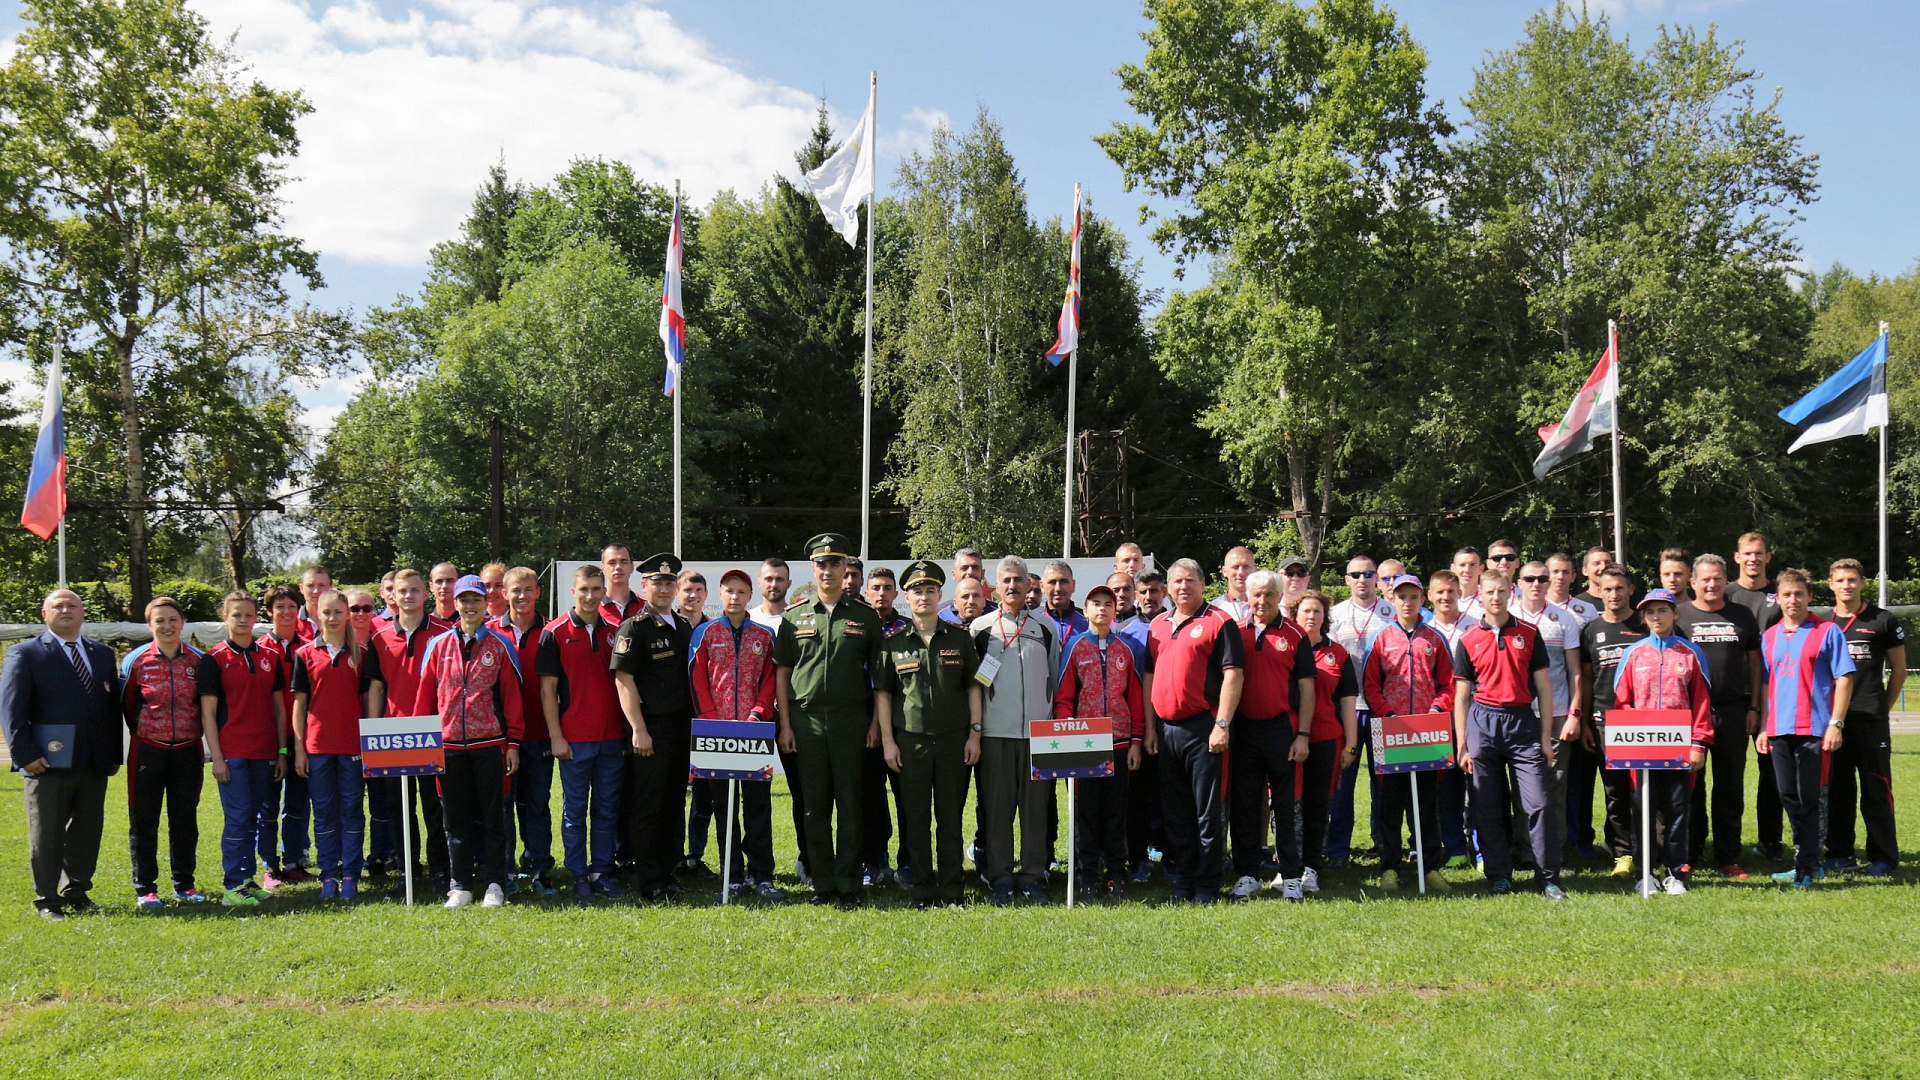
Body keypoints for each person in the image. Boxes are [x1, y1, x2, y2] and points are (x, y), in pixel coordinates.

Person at [776, 534, 885, 905]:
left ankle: (849, 883)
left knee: (852, 803)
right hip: (805, 722)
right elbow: (782, 674)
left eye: (834, 564)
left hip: (851, 720)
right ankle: (822, 883)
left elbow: (879, 676)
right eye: (821, 564)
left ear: (845, 569)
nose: (828, 570)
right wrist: (786, 725)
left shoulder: (865, 617)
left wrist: (874, 725)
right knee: (814, 804)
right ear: (814, 569)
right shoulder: (793, 617)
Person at [3, 589, 121, 919]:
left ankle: (77, 891)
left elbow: (110, 710)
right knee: (47, 833)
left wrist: (112, 754)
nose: (66, 609)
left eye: (72, 605)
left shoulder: (101, 654)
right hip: (46, 762)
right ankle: (47, 900)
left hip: (94, 762)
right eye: (58, 605)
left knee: (87, 830)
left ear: (83, 613)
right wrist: (24, 754)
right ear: (45, 614)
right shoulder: (24, 654)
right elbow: (11, 709)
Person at [876, 560, 983, 908]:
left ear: (941, 595)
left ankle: (952, 888)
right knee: (916, 820)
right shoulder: (891, 644)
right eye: (917, 591)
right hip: (911, 743)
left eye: (930, 591)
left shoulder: (959, 639)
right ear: (906, 598)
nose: (924, 597)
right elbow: (884, 695)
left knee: (950, 818)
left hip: (954, 742)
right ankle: (923, 889)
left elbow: (973, 689)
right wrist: (889, 742)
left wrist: (975, 735)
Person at [1452, 573, 1564, 900]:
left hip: (1523, 723)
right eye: (1490, 592)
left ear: (1510, 592)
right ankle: (1499, 875)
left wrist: (1545, 738)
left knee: (1539, 802)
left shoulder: (1529, 633)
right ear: (1480, 596)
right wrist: (1462, 745)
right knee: (1487, 805)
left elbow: (1544, 688)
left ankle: (1548, 878)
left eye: (1501, 591)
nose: (1496, 597)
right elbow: (1461, 696)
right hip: (1482, 723)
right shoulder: (1468, 638)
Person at [413, 574, 522, 909]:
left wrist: (514, 743)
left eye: (476, 600)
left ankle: (494, 883)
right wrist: (423, 742)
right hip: (448, 748)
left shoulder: (499, 645)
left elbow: (513, 698)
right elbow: (424, 699)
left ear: (484, 603)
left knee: (492, 817)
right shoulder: (438, 645)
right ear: (455, 604)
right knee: (454, 819)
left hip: (489, 746)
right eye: (465, 600)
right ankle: (459, 884)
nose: (470, 606)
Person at [1147, 558, 1244, 904]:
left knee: (1207, 812)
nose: (1183, 587)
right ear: (1168, 588)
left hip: (1205, 729)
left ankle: (1207, 884)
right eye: (1176, 582)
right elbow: (1148, 678)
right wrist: (1150, 729)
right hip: (1166, 729)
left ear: (1203, 584)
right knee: (1176, 812)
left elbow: (1233, 675)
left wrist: (1222, 725)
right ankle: (1184, 881)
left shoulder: (1220, 622)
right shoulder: (1157, 625)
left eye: (1190, 581)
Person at [687, 567, 783, 901]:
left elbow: (770, 677)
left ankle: (763, 874)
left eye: (741, 592)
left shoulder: (763, 636)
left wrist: (760, 711)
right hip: (717, 734)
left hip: (753, 733)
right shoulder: (705, 633)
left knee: (758, 805)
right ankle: (733, 875)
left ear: (749, 596)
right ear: (719, 594)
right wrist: (711, 719)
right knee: (723, 806)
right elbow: (696, 678)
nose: (734, 597)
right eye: (729, 591)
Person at [1610, 588, 1714, 895]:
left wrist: (1699, 743)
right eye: (1651, 612)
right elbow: (1621, 702)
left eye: (1663, 611)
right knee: (1643, 809)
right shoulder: (1634, 654)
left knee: (1678, 811)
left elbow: (1702, 703)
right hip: (1641, 749)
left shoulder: (1690, 653)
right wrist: (1631, 736)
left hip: (1680, 748)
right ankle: (1646, 873)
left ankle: (1675, 872)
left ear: (1675, 614)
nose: (1657, 617)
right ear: (1644, 617)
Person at [971, 555, 1061, 906]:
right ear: (995, 586)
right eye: (1006, 580)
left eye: (1018, 580)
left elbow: (1053, 678)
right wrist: (977, 729)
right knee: (997, 810)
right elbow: (974, 685)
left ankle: (1033, 876)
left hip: (1038, 735)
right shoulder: (980, 628)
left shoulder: (1044, 628)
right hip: (995, 733)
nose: (1012, 586)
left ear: (1029, 586)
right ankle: (1001, 878)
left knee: (1037, 810)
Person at [1758, 568, 1856, 889]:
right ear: (1778, 598)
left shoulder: (1827, 631)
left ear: (1810, 596)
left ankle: (1807, 867)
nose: (1793, 600)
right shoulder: (1770, 636)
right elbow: (1765, 684)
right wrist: (1762, 726)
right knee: (1788, 796)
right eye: (1786, 594)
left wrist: (1835, 723)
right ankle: (1807, 858)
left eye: (1799, 594)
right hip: (1778, 729)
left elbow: (1844, 678)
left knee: (1810, 798)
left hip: (1814, 729)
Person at [611, 552, 698, 903]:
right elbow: (623, 680)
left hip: (681, 728)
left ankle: (667, 873)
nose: (664, 589)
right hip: (651, 730)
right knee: (648, 806)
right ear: (643, 586)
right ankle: (650, 882)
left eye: (669, 583)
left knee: (673, 804)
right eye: (657, 583)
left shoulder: (683, 625)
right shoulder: (634, 627)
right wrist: (638, 729)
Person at [537, 564, 627, 903]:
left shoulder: (617, 630)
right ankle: (578, 876)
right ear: (572, 592)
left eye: (596, 588)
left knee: (606, 809)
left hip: (612, 737)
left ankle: (602, 872)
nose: (590, 595)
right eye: (583, 589)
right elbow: (548, 691)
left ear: (604, 591)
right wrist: (556, 736)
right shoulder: (555, 632)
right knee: (575, 811)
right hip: (574, 739)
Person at [290, 588, 386, 902]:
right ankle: (328, 874)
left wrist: (370, 740)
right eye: (326, 612)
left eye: (338, 612)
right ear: (318, 613)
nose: (332, 618)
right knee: (324, 814)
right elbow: (299, 706)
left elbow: (369, 699)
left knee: (352, 811)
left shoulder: (361, 653)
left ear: (347, 615)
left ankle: (350, 874)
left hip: (352, 748)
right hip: (318, 748)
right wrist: (300, 748)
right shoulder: (304, 655)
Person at [197, 590, 290, 908]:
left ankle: (248, 881)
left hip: (264, 753)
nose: (243, 620)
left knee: (254, 818)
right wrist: (217, 757)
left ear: (256, 618)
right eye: (236, 614)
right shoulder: (213, 659)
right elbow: (208, 713)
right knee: (237, 819)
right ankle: (232, 886)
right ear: (226, 618)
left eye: (248, 614)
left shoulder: (270, 658)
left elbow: (279, 710)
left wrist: (282, 752)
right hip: (233, 755)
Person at [1361, 574, 1452, 893]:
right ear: (1392, 600)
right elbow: (1370, 685)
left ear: (1422, 599)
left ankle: (1430, 867)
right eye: (1401, 596)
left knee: (1427, 802)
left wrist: (1438, 710)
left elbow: (1448, 684)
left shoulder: (1435, 639)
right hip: (1390, 731)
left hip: (1428, 732)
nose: (1407, 602)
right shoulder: (1381, 639)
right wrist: (1386, 714)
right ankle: (1389, 867)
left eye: (1413, 596)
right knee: (1389, 801)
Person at [1227, 570, 1315, 899]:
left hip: (1282, 729)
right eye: (1257, 595)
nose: (1262, 601)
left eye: (1268, 595)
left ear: (1280, 597)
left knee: (1285, 805)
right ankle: (1248, 873)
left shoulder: (1295, 635)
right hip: (1245, 730)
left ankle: (1290, 873)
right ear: (1247, 597)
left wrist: (1302, 734)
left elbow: (1308, 689)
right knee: (1246, 805)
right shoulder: (1235, 633)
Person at [1053, 582, 1144, 899]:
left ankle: (1117, 874)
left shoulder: (1125, 650)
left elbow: (1135, 698)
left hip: (1119, 743)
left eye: (1108, 603)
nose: (1102, 609)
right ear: (1086, 610)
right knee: (1087, 814)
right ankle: (1087, 875)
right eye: (1096, 603)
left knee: (1116, 813)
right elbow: (1064, 697)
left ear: (1114, 610)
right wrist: (1068, 731)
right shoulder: (1076, 647)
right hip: (1086, 745)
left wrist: (1136, 741)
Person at [1675, 554, 1763, 877]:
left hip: (1732, 711)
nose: (1711, 584)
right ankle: (1690, 852)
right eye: (1705, 579)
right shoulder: (1678, 616)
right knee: (1689, 788)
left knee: (1729, 787)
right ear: (1692, 582)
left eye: (1717, 578)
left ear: (1726, 581)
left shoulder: (1742, 616)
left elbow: (1756, 665)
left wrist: (1754, 707)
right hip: (1687, 716)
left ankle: (1728, 855)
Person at [367, 569, 452, 899]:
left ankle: (441, 872)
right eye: (402, 591)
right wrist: (373, 730)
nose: (408, 596)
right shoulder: (379, 637)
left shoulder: (446, 633)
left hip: (434, 731)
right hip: (393, 733)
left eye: (415, 590)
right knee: (401, 810)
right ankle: (408, 874)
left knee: (436, 809)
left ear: (426, 594)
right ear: (391, 595)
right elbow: (375, 686)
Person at [120, 596, 208, 908]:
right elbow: (127, 705)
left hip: (187, 752)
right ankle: (145, 888)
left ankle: (185, 884)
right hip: (147, 752)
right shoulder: (136, 661)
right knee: (144, 820)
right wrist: (148, 732)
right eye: (160, 621)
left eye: (172, 620)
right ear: (150, 625)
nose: (167, 626)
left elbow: (206, 706)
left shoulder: (198, 661)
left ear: (182, 624)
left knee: (184, 819)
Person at [1823, 558, 1905, 876]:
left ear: (1862, 583)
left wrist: (1882, 705)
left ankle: (1883, 856)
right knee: (1838, 790)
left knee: (1876, 789)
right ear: (1831, 584)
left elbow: (1899, 671)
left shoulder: (1882, 620)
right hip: (1834, 721)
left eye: (1852, 580)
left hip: (1871, 718)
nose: (1847, 585)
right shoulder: (1822, 623)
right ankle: (1840, 853)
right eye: (1841, 580)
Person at [1510, 561, 1586, 872]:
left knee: (1555, 785)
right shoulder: (1508, 615)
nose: (1537, 583)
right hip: (1517, 714)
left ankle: (1554, 854)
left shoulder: (1564, 618)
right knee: (1520, 788)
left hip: (1555, 715)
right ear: (1519, 582)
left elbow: (1575, 672)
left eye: (1543, 578)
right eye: (1530, 578)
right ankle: (1526, 855)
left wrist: (1574, 715)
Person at [1576, 564, 1648, 878]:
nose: (1614, 594)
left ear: (1630, 589)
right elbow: (1587, 680)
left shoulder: (1646, 623)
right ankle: (1623, 853)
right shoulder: (1591, 630)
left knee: (1647, 790)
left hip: (1645, 723)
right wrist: (1588, 724)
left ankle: (1652, 849)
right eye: (1608, 589)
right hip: (1606, 723)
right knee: (1616, 792)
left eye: (1619, 588)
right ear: (1599, 591)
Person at [492, 566, 556, 895]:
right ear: (504, 593)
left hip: (540, 734)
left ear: (538, 593)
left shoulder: (552, 631)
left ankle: (539, 868)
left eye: (528, 589)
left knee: (536, 804)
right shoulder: (490, 632)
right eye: (516, 590)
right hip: (499, 738)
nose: (522, 596)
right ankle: (503, 871)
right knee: (503, 804)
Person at [1290, 590, 1358, 897]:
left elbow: (1347, 703)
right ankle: (1288, 863)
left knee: (1318, 805)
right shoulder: (1286, 649)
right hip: (1289, 738)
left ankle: (1311, 867)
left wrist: (1351, 746)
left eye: (1317, 611)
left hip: (1327, 740)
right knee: (1288, 805)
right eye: (1305, 611)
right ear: (1295, 614)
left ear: (1324, 617)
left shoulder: (1338, 654)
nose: (1311, 616)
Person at [1327, 554, 1393, 867]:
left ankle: (1384, 845)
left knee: (1384, 782)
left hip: (1382, 709)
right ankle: (1338, 849)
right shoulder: (1334, 614)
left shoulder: (1391, 612)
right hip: (1347, 710)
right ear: (1346, 579)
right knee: (1342, 782)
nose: (1362, 579)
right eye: (1355, 574)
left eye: (1369, 573)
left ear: (1377, 579)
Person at [750, 556, 808, 883]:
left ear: (789, 583)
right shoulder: (749, 619)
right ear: (760, 583)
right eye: (768, 579)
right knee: (758, 797)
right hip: (756, 720)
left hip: (792, 719)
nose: (774, 584)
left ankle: (807, 859)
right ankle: (761, 868)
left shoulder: (799, 619)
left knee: (803, 793)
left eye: (780, 579)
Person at [858, 565, 910, 887]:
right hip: (863, 727)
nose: (880, 593)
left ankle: (908, 862)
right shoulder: (859, 625)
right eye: (875, 587)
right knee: (869, 798)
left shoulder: (907, 629)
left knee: (906, 798)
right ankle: (874, 860)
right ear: (867, 591)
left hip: (900, 727)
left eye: (886, 588)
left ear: (895, 593)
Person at [260, 584, 313, 884]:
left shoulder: (308, 647)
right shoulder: (259, 649)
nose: (287, 612)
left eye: (292, 606)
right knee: (268, 806)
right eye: (280, 607)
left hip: (301, 739)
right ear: (270, 612)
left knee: (297, 804)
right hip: (269, 740)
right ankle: (270, 866)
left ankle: (294, 861)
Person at [1425, 569, 1475, 868]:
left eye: (1450, 591)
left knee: (1473, 783)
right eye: (1439, 592)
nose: (1445, 597)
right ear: (1430, 596)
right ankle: (1452, 845)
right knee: (1442, 788)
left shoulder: (1473, 627)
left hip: (1472, 715)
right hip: (1436, 717)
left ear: (1459, 593)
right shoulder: (1423, 628)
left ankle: (1479, 847)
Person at [1124, 567, 1167, 879]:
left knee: (1173, 795)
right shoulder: (1124, 633)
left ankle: (1173, 856)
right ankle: (1137, 858)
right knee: (1137, 796)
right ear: (1135, 598)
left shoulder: (1176, 625)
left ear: (1163, 592)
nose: (1149, 597)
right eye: (1144, 592)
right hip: (1137, 725)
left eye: (1154, 590)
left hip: (1174, 723)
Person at [942, 547, 998, 622]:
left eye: (975, 568)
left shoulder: (997, 613)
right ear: (954, 574)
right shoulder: (940, 614)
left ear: (982, 573)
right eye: (964, 568)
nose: (970, 572)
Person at [1546, 552, 1600, 626]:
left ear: (1573, 577)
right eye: (1555, 572)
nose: (1560, 577)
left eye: (1566, 572)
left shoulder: (1588, 610)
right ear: (1546, 575)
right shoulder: (1534, 608)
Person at [601, 543, 646, 624]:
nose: (618, 567)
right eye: (612, 562)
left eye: (623, 562)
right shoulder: (594, 607)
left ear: (632, 567)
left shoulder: (646, 606)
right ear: (602, 568)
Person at [1211, 546, 1256, 622]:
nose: (1241, 572)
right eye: (1235, 567)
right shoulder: (1214, 609)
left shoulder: (1267, 605)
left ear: (1255, 570)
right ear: (1224, 571)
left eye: (1246, 567)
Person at [1574, 547, 1612, 613]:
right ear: (1585, 571)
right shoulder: (1577, 604)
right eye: (1596, 563)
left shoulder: (1627, 601)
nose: (1603, 567)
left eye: (1607, 562)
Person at [298, 565, 333, 636]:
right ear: (301, 588)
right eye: (310, 585)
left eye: (322, 585)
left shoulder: (340, 621)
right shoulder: (291, 621)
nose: (316, 591)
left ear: (331, 588)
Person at [1452, 547, 1486, 618]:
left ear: (1481, 569)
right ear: (1453, 568)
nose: (1467, 570)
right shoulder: (1445, 599)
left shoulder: (1489, 600)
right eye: (1462, 565)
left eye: (1472, 565)